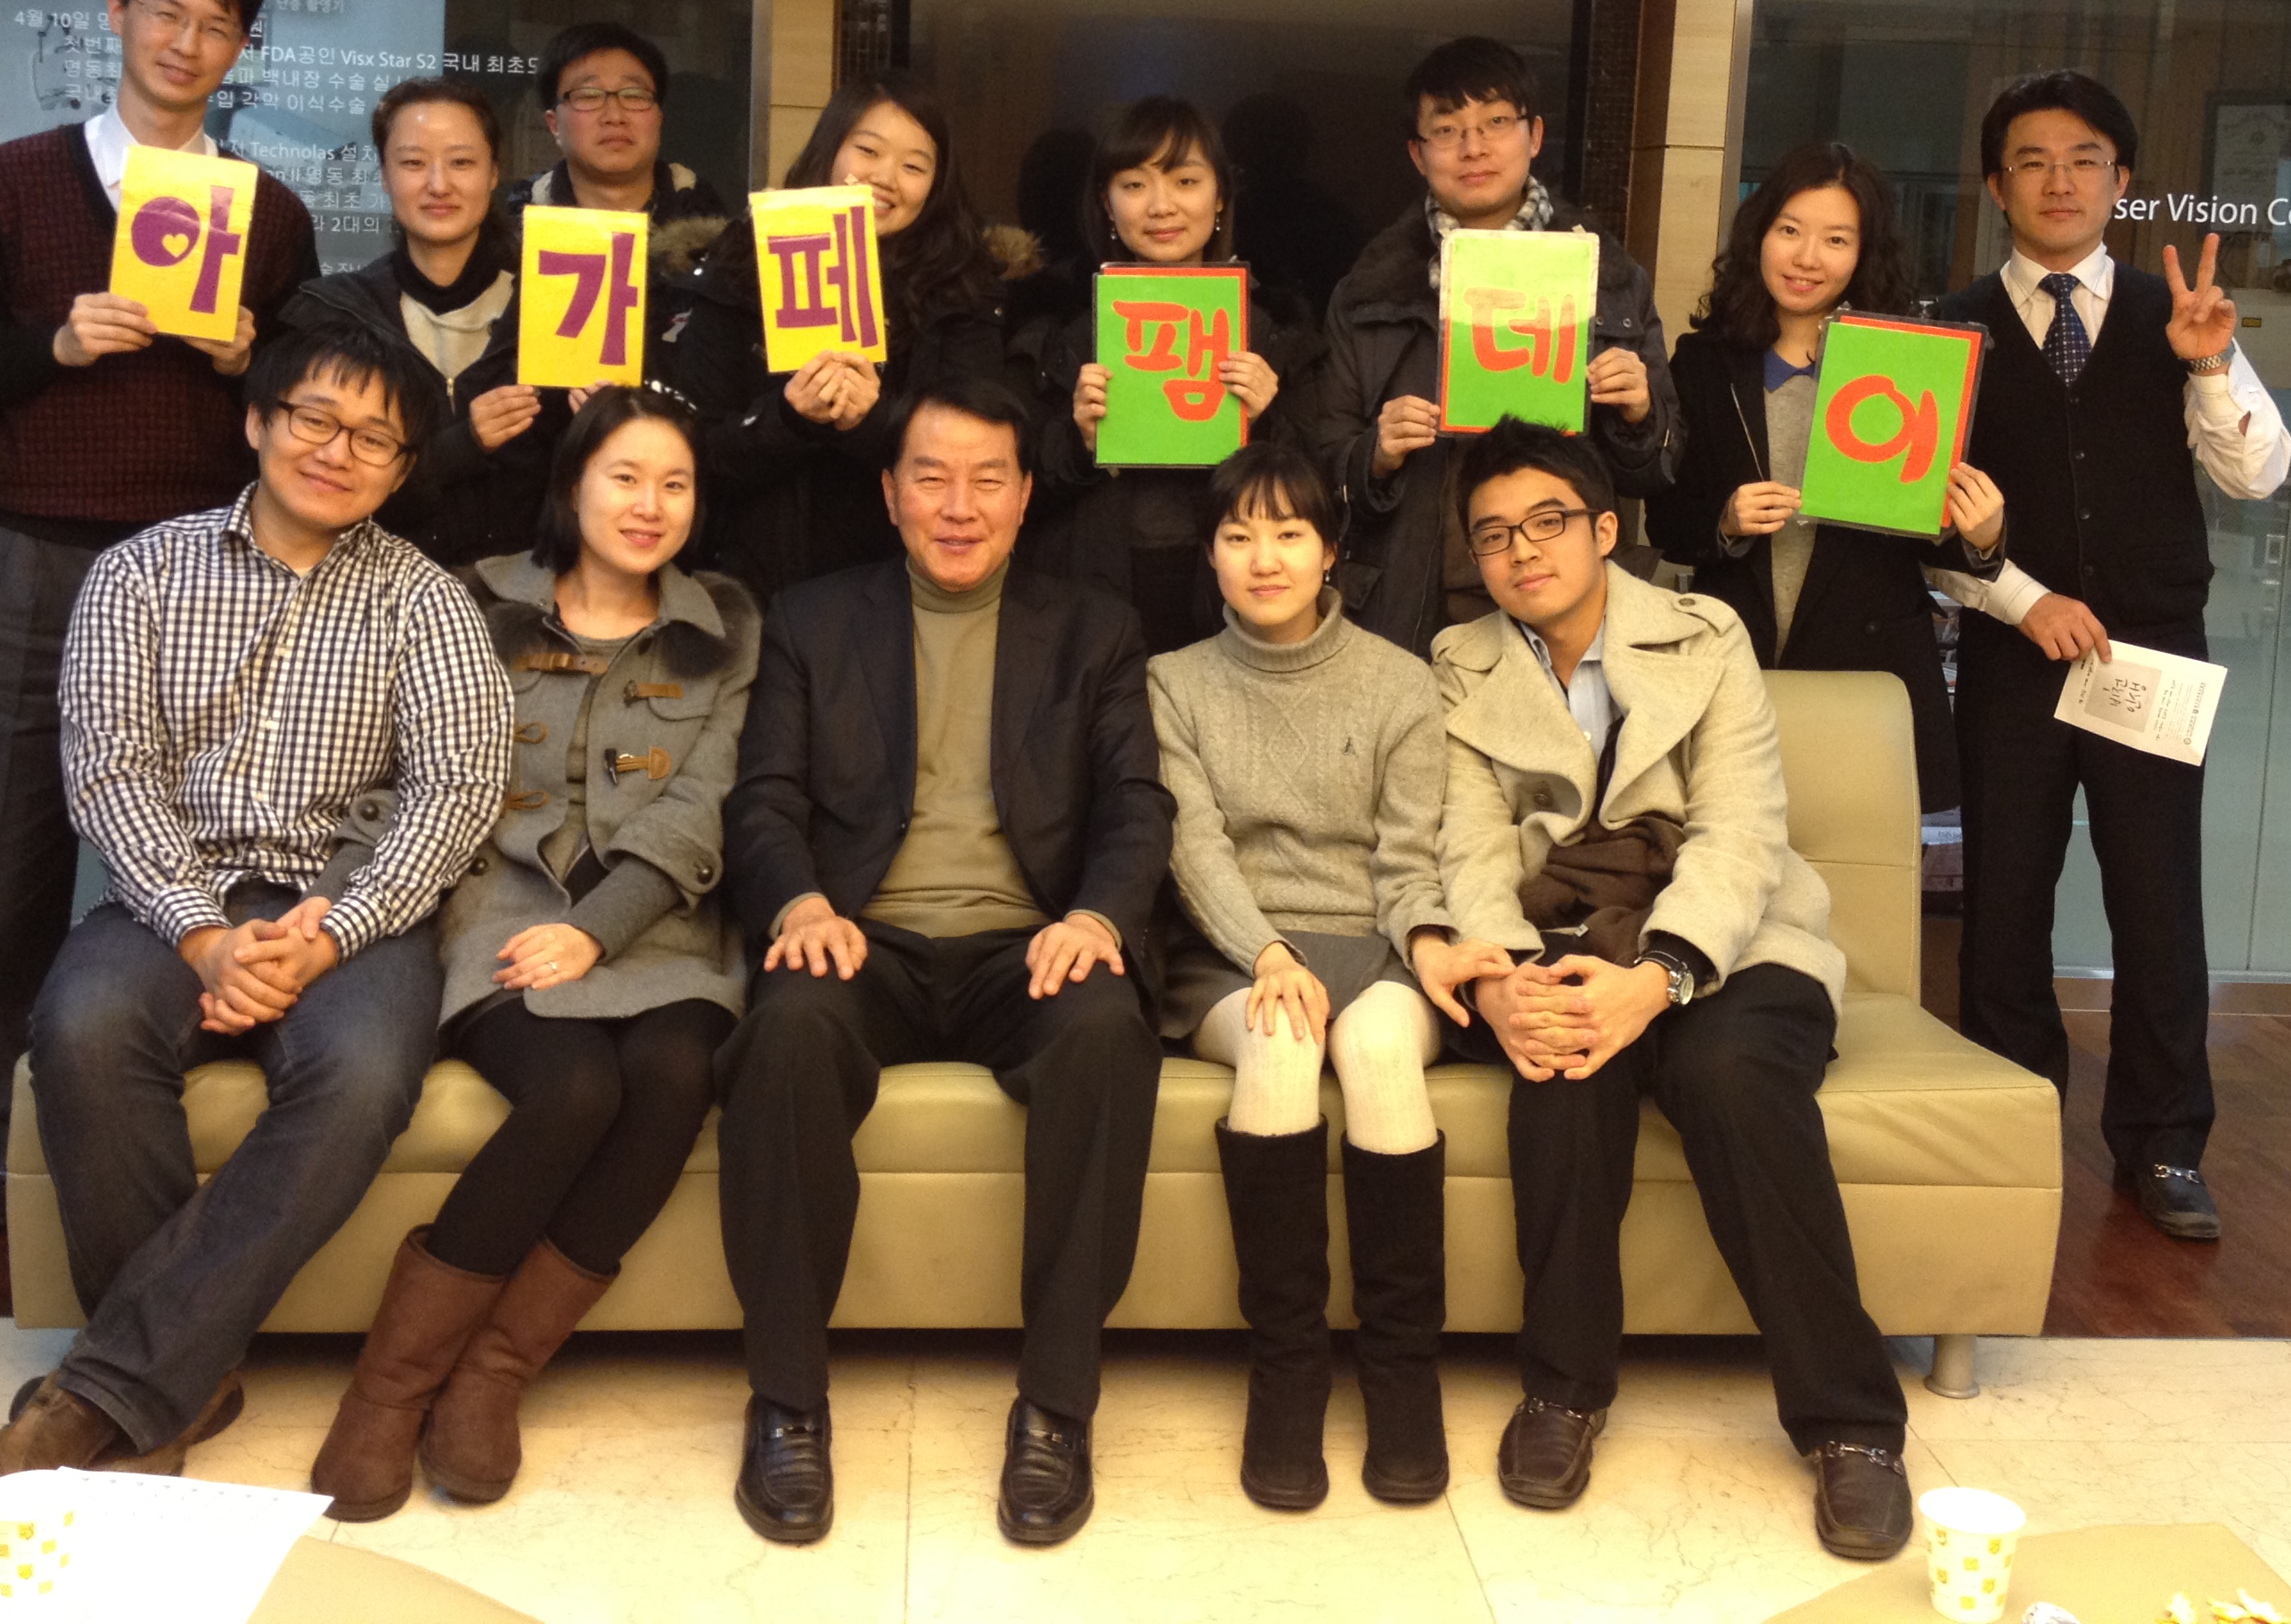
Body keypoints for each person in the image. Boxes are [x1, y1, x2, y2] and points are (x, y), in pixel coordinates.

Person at [0, 317, 510, 1482]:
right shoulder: (139, 573)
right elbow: (109, 771)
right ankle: (177, 1378)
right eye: (316, 418)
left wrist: (338, 932)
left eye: (376, 438)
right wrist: (204, 936)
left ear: (403, 470)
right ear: (259, 420)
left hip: (350, 908)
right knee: (84, 1026)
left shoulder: (427, 601)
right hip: (174, 891)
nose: (340, 451)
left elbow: (457, 791)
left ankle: (114, 1389)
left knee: (363, 1075)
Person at [1433, 419, 1916, 1560]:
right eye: (1494, 535)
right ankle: (1562, 1391)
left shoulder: (1707, 634)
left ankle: (1851, 1424)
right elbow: (1469, 846)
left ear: (1606, 529)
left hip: (1734, 942)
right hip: (1558, 938)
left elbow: (1742, 831)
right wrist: (1506, 979)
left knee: (1730, 1072)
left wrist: (1659, 978)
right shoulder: (1460, 661)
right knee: (1559, 1059)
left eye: (1547, 522)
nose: (1522, 551)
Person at [713, 379, 1170, 1549]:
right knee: (784, 1032)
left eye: (986, 481)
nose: (958, 507)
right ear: (889, 492)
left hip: (1031, 947)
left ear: (1024, 497)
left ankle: (1057, 1405)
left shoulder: (1094, 627)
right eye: (932, 477)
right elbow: (763, 798)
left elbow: (1135, 802)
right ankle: (787, 1399)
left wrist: (1098, 919)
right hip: (860, 939)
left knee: (1106, 1033)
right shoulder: (813, 620)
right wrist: (801, 900)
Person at [0, 0, 320, 1236]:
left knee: (193, 843)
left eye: (216, 27)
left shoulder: (268, 212)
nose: (186, 43)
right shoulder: (12, 180)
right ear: (117, 13)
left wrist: (250, 360)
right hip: (46, 552)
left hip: (207, 567)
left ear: (241, 49)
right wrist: (54, 342)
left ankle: (145, 1095)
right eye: (166, 13)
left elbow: (309, 397)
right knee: (11, 847)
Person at [311, 385, 757, 1521]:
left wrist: (597, 929)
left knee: (673, 1073)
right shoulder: (474, 605)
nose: (650, 505)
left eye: (675, 484)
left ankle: (495, 1374)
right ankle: (387, 1391)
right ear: (571, 486)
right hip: (500, 914)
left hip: (662, 925)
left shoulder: (727, 628)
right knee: (571, 1088)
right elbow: (411, 771)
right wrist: (326, 909)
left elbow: (701, 803)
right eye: (625, 478)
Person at [1932, 71, 2291, 1244]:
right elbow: (1915, 524)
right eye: (2032, 161)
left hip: (2152, 656)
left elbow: (2258, 475)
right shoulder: (1946, 328)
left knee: (2157, 899)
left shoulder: (2178, 317)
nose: (2060, 181)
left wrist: (2208, 366)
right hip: (2012, 653)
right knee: (2004, 901)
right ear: (1997, 188)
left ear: (2121, 182)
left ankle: (2166, 1142)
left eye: (2084, 159)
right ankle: (2011, 1121)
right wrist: (2022, 598)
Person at [1146, 442, 1509, 1510]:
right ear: (1211, 555)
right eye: (1238, 535)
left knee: (1382, 1048)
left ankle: (1402, 1371)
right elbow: (1193, 849)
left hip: (1375, 942)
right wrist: (1268, 952)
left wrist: (1427, 941)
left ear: (1331, 551)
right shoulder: (1172, 682)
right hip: (1232, 951)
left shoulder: (1402, 682)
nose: (1264, 558)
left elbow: (1408, 859)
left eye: (1289, 533)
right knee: (1283, 1038)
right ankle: (1289, 1369)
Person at [1649, 142, 2009, 812]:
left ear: (1864, 254)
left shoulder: (1911, 363)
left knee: (1855, 863)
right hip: (1737, 662)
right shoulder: (1705, 361)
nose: (1807, 258)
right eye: (1790, 231)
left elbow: (1937, 539)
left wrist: (1983, 535)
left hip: (1865, 672)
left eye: (1836, 240)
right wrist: (1724, 520)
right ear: (1759, 234)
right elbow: (1666, 519)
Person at [1313, 37, 1679, 656]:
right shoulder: (1367, 292)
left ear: (1534, 136)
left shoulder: (1610, 280)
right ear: (1417, 153)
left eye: (1496, 123)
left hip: (1565, 605)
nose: (1474, 147)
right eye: (1447, 130)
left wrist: (1640, 415)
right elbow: (1322, 466)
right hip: (1412, 605)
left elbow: (1659, 472)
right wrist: (1375, 455)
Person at [669, 73, 1015, 597]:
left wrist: (873, 421)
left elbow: (977, 452)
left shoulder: (962, 285)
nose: (885, 178)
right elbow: (696, 452)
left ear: (937, 183)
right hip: (756, 583)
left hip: (902, 586)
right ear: (830, 149)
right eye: (868, 151)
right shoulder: (745, 260)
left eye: (914, 166)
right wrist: (789, 417)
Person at [1021, 96, 1320, 652]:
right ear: (1107, 203)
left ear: (1220, 196)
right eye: (1134, 185)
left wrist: (1267, 421)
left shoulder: (1276, 333)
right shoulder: (1061, 333)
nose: (1161, 206)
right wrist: (1080, 442)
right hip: (1096, 590)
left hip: (1231, 591)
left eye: (1185, 182)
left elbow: (1322, 491)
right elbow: (1014, 488)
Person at [283, 78, 548, 565]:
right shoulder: (335, 314)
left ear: (494, 172)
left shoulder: (553, 309)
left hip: (529, 592)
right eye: (413, 163)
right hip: (366, 587)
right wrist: (462, 445)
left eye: (462, 162)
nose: (438, 184)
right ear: (385, 176)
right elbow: (315, 484)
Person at [506, 19, 733, 231]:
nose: (615, 116)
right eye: (589, 96)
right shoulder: (514, 232)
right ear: (554, 124)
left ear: (659, 119)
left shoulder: (719, 235)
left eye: (634, 95)